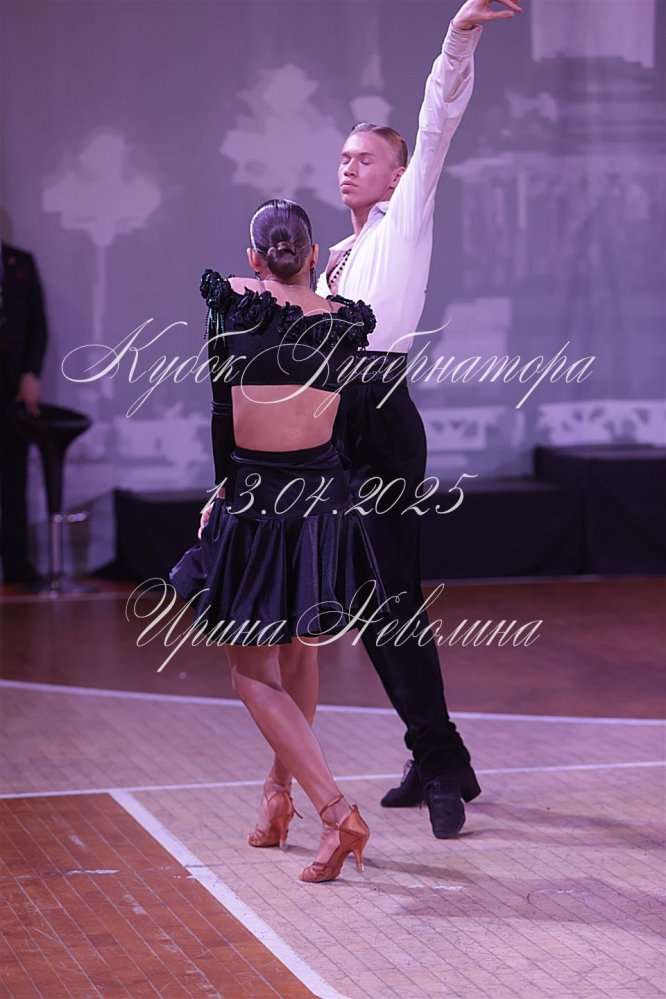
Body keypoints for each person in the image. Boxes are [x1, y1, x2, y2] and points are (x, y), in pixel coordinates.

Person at [317, 0, 523, 837]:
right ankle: (438, 751)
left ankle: (439, 763)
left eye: (365, 158)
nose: (349, 167)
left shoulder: (404, 219)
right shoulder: (337, 258)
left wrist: (458, 36)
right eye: (343, 157)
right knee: (367, 601)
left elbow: (436, 122)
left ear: (398, 176)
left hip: (382, 418)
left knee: (391, 597)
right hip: (336, 424)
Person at [169, 199, 387, 883]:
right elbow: (345, 425)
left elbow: (220, 406)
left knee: (250, 674)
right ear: (314, 255)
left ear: (254, 258)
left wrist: (222, 488)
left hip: (259, 498)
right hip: (319, 498)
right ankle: (276, 795)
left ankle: (337, 812)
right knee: (298, 651)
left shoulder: (231, 301)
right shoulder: (344, 320)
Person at [0, 238, 48, 584]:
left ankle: (16, 565)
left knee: (14, 480)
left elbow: (37, 325)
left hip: (12, 387)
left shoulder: (20, 262)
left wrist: (30, 372)